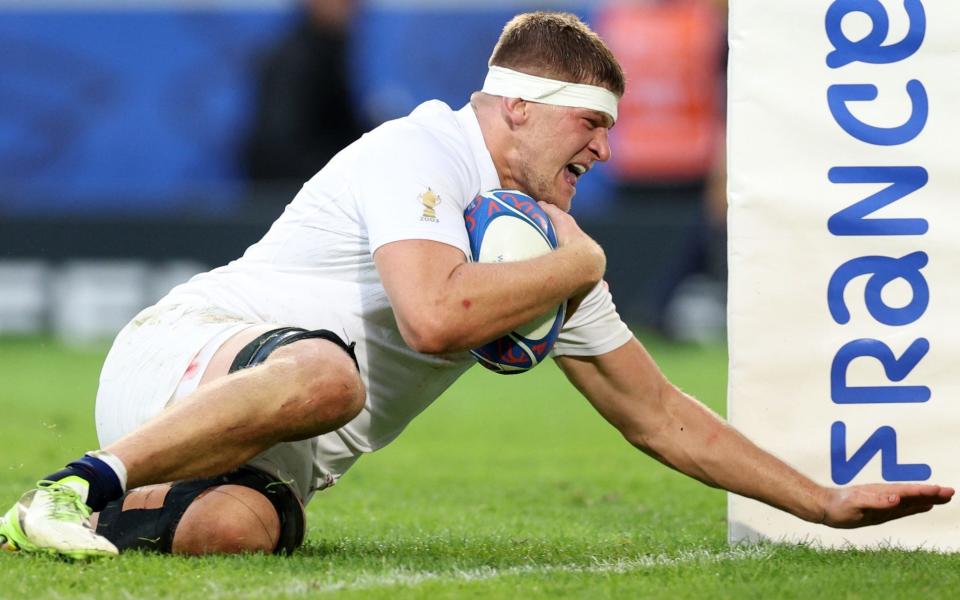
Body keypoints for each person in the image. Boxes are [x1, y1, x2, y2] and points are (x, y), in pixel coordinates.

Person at [0, 12, 952, 559]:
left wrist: (819, 501)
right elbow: (435, 314)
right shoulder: (421, 151)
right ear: (517, 110)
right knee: (332, 379)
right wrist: (582, 263)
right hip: (190, 358)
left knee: (233, 535)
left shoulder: (547, 241)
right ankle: (78, 482)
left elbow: (655, 412)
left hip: (275, 446)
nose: (605, 148)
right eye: (590, 124)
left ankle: (93, 522)